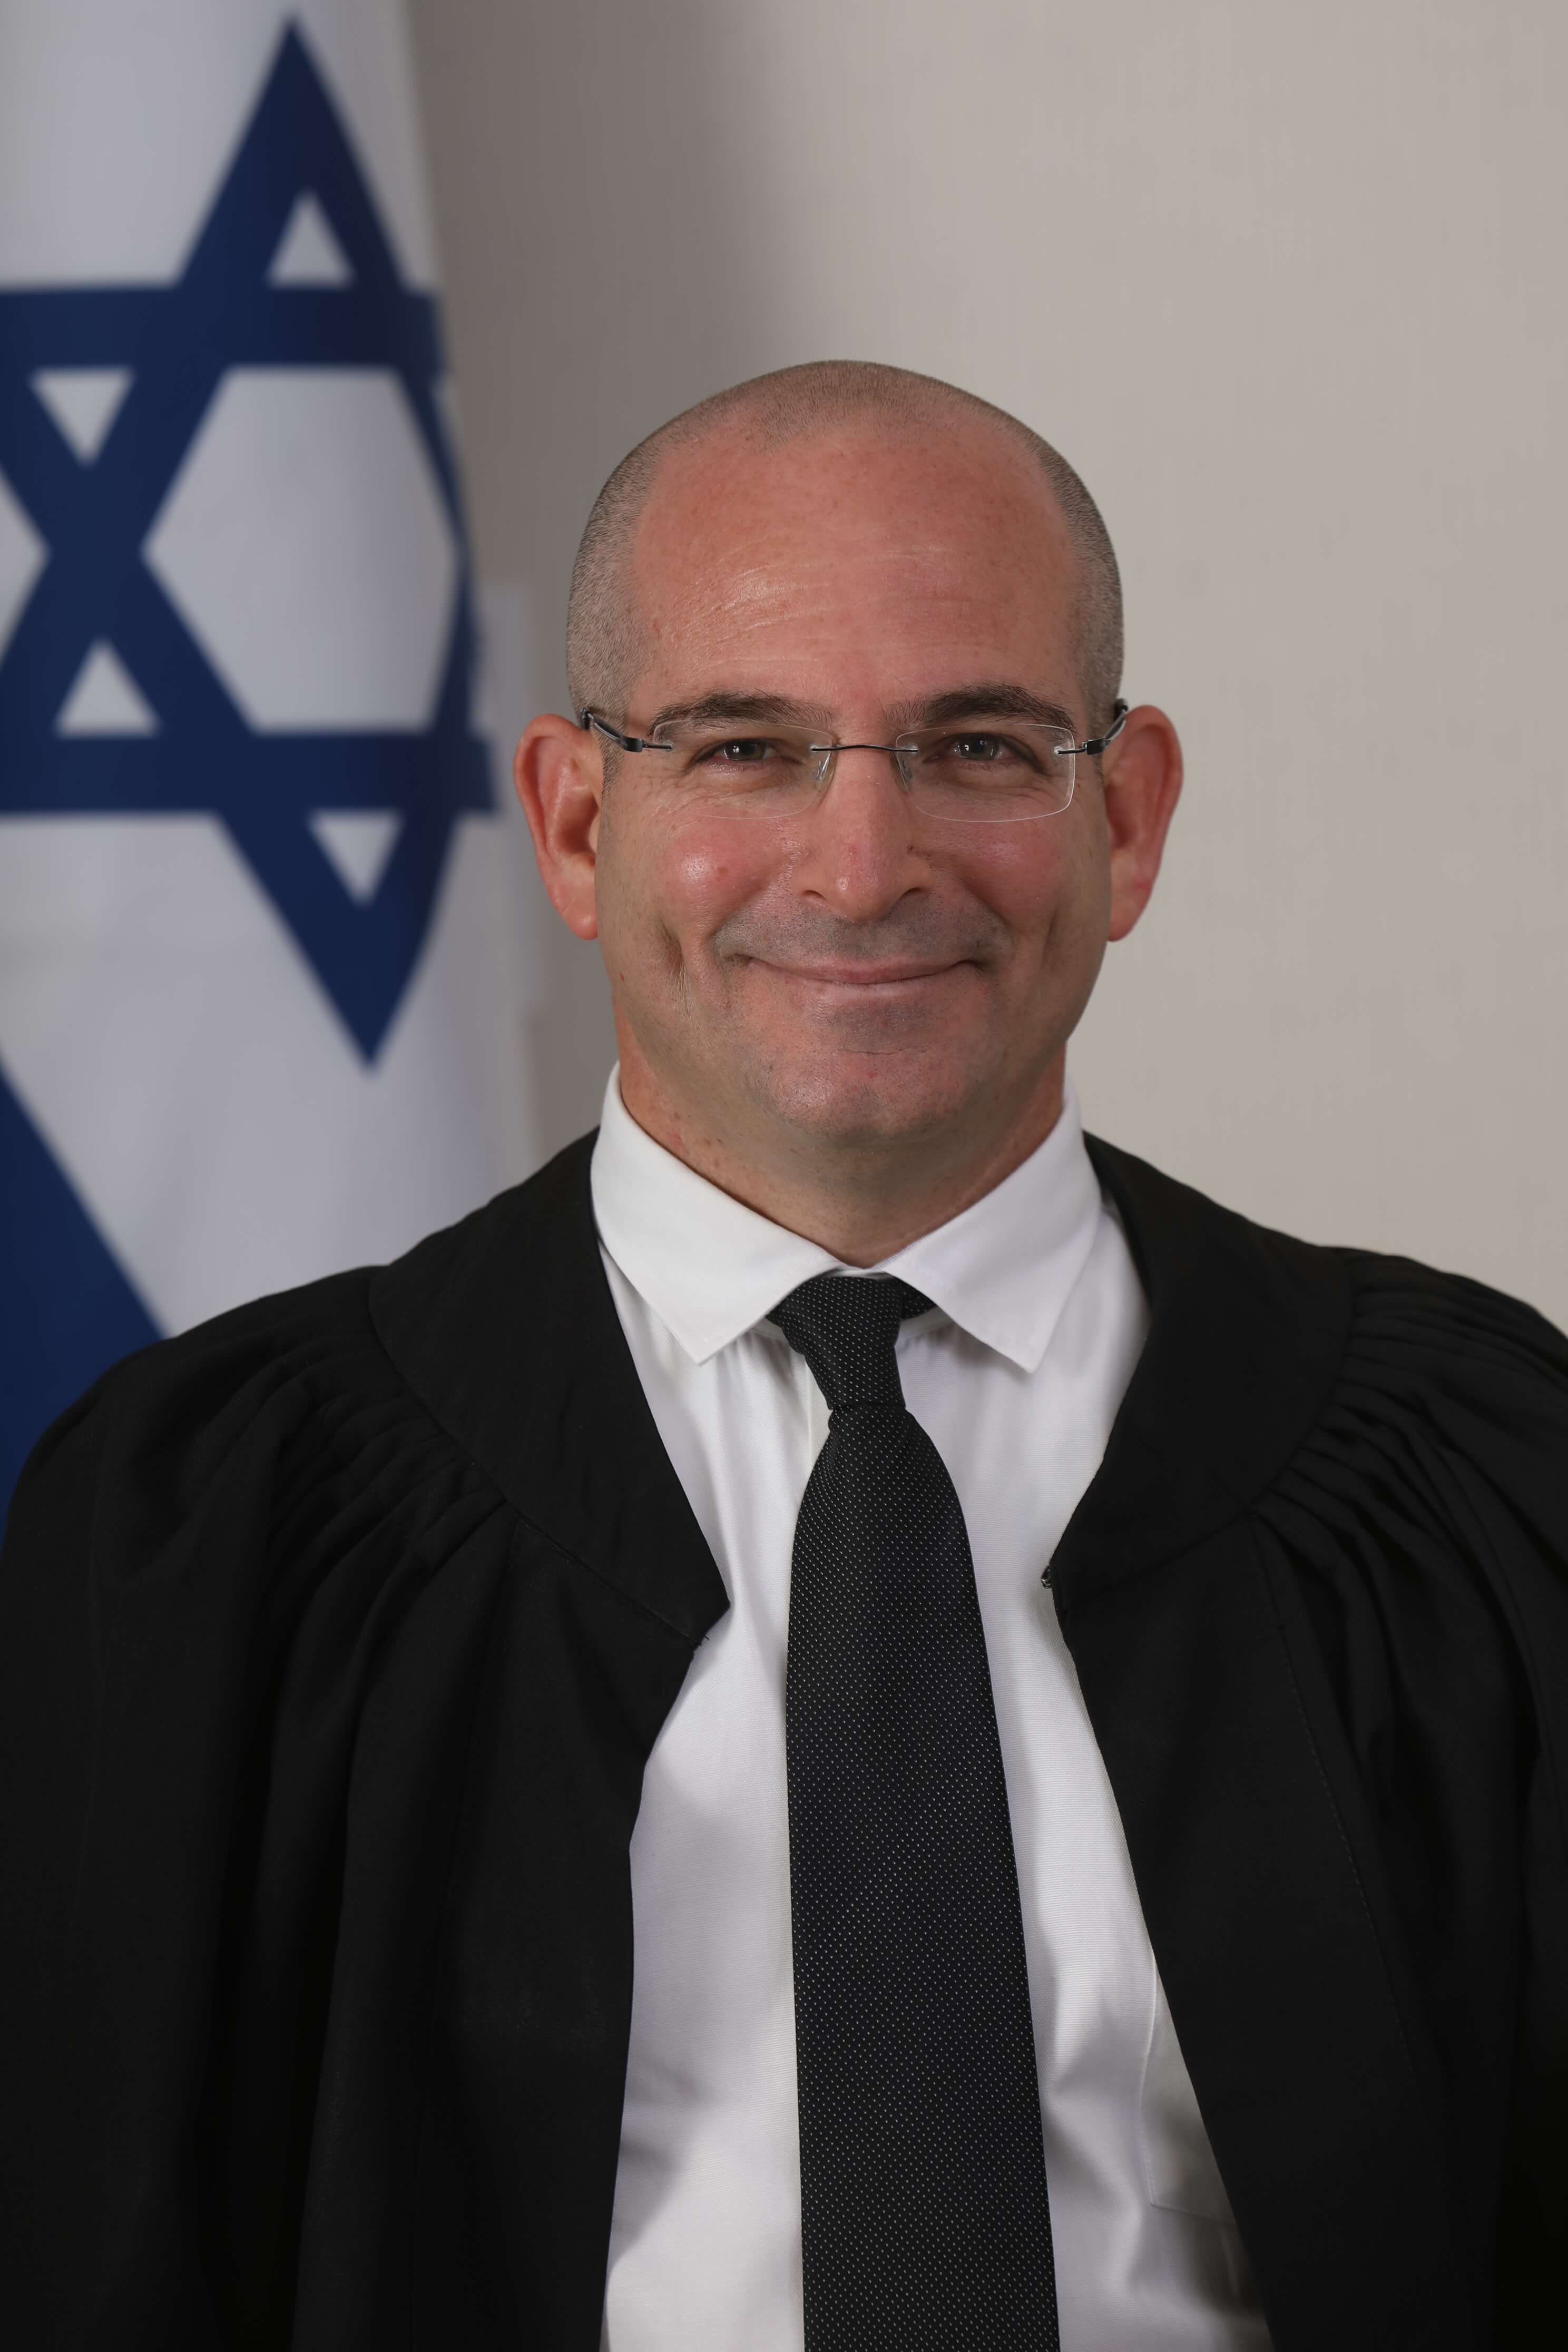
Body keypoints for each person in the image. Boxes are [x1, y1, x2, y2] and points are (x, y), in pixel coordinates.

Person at [1, 361, 1563, 2352]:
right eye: (744, 748)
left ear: (1128, 815)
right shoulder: (212, 1522)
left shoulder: (1487, 1486)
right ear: (579, 822)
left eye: (980, 745)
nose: (862, 864)